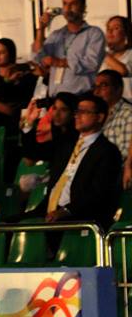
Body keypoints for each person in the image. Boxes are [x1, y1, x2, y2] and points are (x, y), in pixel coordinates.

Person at [41, 93, 122, 230]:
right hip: (50, 209)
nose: (77, 116)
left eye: (84, 112)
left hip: (79, 215)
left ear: (100, 117)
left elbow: (98, 193)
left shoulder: (107, 151)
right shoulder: (67, 145)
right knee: (6, 224)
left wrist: (66, 210)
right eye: (77, 111)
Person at [33, 0, 106, 96]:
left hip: (80, 98)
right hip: (56, 99)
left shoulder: (94, 33)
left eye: (73, 4)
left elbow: (92, 63)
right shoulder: (56, 35)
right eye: (65, 4)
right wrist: (41, 29)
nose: (68, 8)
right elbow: (38, 56)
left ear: (83, 7)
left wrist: (60, 62)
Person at [20, 93, 78, 166]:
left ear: (73, 113)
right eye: (55, 108)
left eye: (63, 110)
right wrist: (29, 122)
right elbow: (31, 157)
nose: (56, 114)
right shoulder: (57, 132)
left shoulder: (75, 136)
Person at [94, 70, 132, 164]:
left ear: (119, 89)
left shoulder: (128, 114)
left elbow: (125, 156)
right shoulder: (94, 114)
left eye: (103, 86)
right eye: (95, 87)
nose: (96, 92)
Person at [101, 15, 132, 100]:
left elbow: (123, 71)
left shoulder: (130, 54)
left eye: (116, 28)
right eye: (108, 28)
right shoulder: (105, 56)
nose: (110, 31)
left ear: (126, 33)